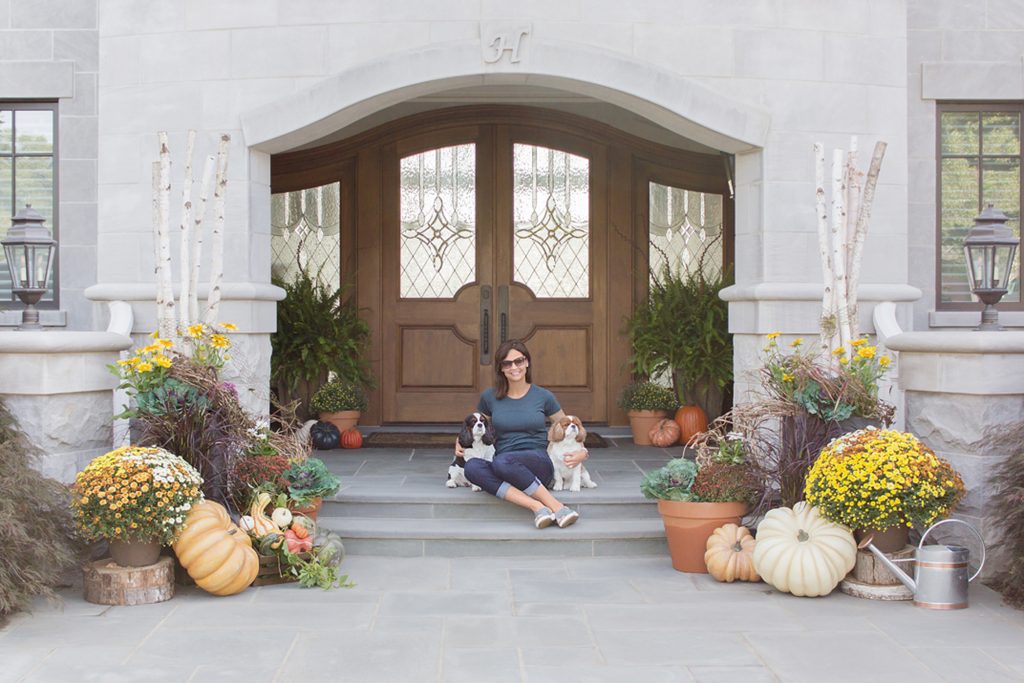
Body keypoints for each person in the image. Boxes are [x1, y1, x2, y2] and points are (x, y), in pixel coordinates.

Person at [455, 339, 588, 528]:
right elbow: (476, 423)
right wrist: (459, 441)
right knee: (472, 468)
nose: (514, 367)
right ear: (501, 368)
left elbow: (570, 428)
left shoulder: (543, 396)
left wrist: (583, 452)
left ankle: (558, 507)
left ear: (527, 362)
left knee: (502, 461)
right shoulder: (489, 397)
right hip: (505, 464)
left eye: (519, 361)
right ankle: (538, 507)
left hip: (538, 461)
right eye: (507, 363)